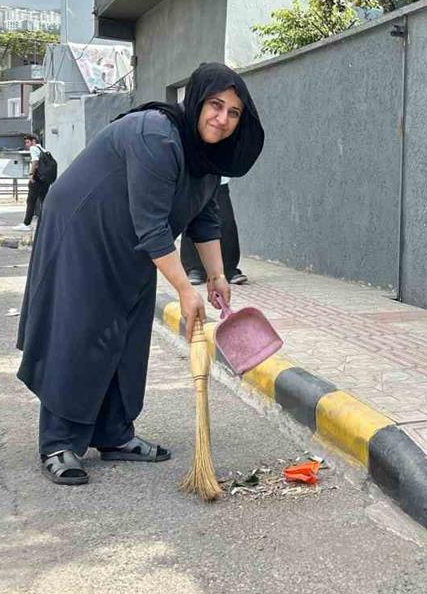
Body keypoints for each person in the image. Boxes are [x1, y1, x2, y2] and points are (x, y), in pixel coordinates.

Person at [16, 62, 264, 486]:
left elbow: (204, 217)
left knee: (128, 333)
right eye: (216, 105)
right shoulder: (158, 135)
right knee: (81, 330)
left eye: (234, 113)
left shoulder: (206, 156)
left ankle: (113, 433)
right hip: (83, 230)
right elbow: (152, 224)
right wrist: (186, 290)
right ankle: (59, 441)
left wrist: (217, 276)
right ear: (197, 102)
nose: (222, 119)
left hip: (130, 243)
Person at [180, 177, 247, 285]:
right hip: (194, 178)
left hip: (219, 177)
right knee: (193, 218)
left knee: (226, 221)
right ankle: (194, 268)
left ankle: (229, 269)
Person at [16, 135, 46, 231]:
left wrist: (31, 174)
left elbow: (35, 161)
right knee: (44, 200)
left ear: (33, 141)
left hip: (36, 179)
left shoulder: (33, 148)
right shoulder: (42, 149)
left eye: (27, 142)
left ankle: (26, 224)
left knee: (30, 200)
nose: (26, 145)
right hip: (44, 179)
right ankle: (45, 222)